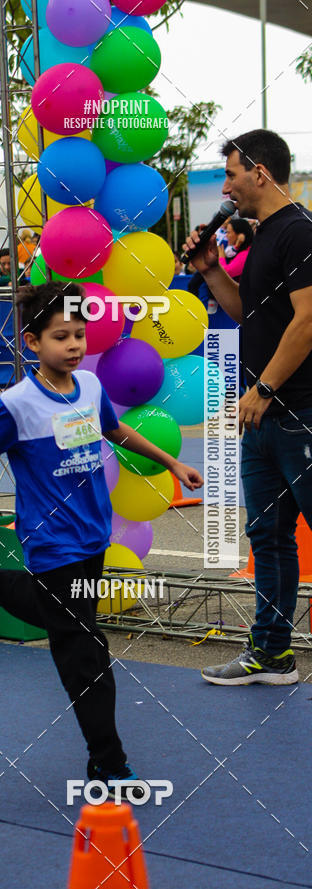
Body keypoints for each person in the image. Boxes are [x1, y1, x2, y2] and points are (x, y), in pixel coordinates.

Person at [0, 281, 203, 795]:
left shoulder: (90, 390)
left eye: (79, 336)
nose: (74, 345)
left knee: (62, 621)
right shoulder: (18, 404)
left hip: (93, 539)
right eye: (61, 336)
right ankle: (107, 762)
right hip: (51, 544)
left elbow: (117, 432)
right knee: (85, 650)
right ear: (32, 342)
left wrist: (172, 462)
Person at [184, 128, 312, 686]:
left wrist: (262, 390)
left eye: (232, 173)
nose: (227, 185)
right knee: (269, 540)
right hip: (262, 419)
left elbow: (308, 323)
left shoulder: (300, 233)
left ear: (260, 172)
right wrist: (212, 270)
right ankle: (271, 655)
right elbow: (253, 316)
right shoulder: (263, 238)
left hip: (297, 413)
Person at [218, 217, 254, 281]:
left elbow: (227, 273)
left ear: (240, 235)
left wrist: (221, 258)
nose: (226, 236)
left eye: (228, 232)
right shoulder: (239, 250)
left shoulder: (245, 254)